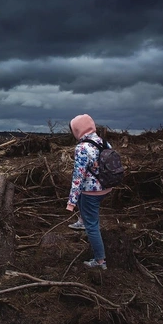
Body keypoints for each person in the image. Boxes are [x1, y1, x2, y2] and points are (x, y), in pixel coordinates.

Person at [65, 114, 112, 270]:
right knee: (86, 209)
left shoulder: (82, 148)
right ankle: (82, 220)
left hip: (91, 192)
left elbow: (78, 177)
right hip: (106, 187)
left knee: (92, 227)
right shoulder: (104, 142)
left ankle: (100, 261)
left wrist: (71, 202)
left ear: (78, 129)